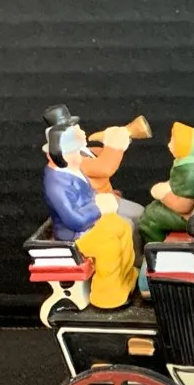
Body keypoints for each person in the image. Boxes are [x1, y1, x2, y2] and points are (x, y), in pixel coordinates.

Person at [41, 107, 136, 308]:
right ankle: (107, 297)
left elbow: (88, 194)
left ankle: (126, 278)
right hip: (76, 234)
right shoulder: (56, 184)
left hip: (92, 223)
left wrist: (101, 200)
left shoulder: (74, 169)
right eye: (76, 151)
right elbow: (74, 220)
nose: (81, 154)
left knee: (122, 227)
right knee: (108, 245)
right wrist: (99, 208)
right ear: (63, 155)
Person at [42, 105, 142, 228]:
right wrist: (115, 146)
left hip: (105, 198)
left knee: (139, 213)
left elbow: (102, 155)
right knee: (128, 224)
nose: (81, 131)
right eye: (74, 130)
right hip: (94, 208)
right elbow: (105, 168)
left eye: (77, 127)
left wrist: (114, 143)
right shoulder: (69, 163)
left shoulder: (81, 151)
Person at [139, 123, 194, 244]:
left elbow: (184, 206)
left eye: (173, 143)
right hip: (188, 212)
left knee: (149, 219)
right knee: (153, 208)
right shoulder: (186, 164)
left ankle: (158, 250)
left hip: (190, 217)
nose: (169, 145)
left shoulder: (192, 171)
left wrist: (163, 194)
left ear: (184, 147)